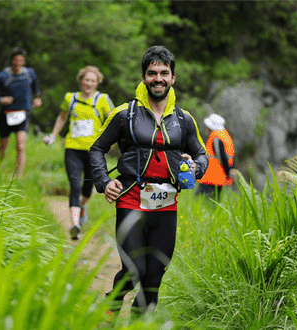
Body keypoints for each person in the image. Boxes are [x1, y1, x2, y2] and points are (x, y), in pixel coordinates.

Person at [89, 45, 208, 317]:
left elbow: (202, 154)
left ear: (173, 78)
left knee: (153, 280)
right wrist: (104, 181)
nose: (158, 78)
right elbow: (97, 148)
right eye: (152, 73)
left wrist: (195, 166)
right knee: (135, 270)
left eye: (164, 73)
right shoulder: (124, 114)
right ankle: (113, 302)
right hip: (131, 199)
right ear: (143, 77)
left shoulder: (184, 119)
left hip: (167, 206)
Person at [43, 66, 114, 240]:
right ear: (80, 80)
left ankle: (83, 206)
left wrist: (109, 140)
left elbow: (113, 119)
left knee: (88, 189)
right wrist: (53, 135)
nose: (88, 83)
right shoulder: (70, 98)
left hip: (94, 152)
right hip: (72, 148)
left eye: (92, 80)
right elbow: (62, 116)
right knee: (75, 185)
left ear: (97, 83)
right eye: (86, 79)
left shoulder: (102, 99)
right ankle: (74, 225)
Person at [0, 47, 42, 179]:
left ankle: (18, 176)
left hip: (23, 114)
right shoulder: (3, 76)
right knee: (3, 146)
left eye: (21, 60)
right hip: (6, 114)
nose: (18, 63)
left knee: (20, 145)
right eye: (16, 60)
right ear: (12, 61)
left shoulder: (29, 73)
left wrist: (37, 98)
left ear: (24, 61)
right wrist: (1, 99)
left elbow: (36, 88)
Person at [196, 113, 235, 200]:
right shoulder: (225, 135)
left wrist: (228, 171)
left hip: (212, 173)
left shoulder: (216, 137)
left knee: (201, 199)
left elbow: (222, 157)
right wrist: (230, 170)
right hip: (220, 175)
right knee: (215, 200)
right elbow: (231, 156)